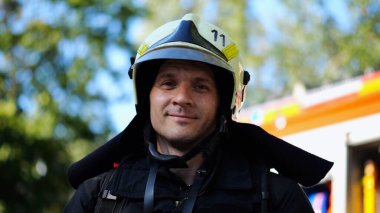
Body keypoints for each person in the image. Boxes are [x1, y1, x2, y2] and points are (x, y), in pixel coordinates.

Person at [64, 13, 333, 212]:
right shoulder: (97, 197)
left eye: (200, 86)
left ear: (224, 103)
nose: (182, 98)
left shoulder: (276, 199)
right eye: (168, 83)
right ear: (147, 97)